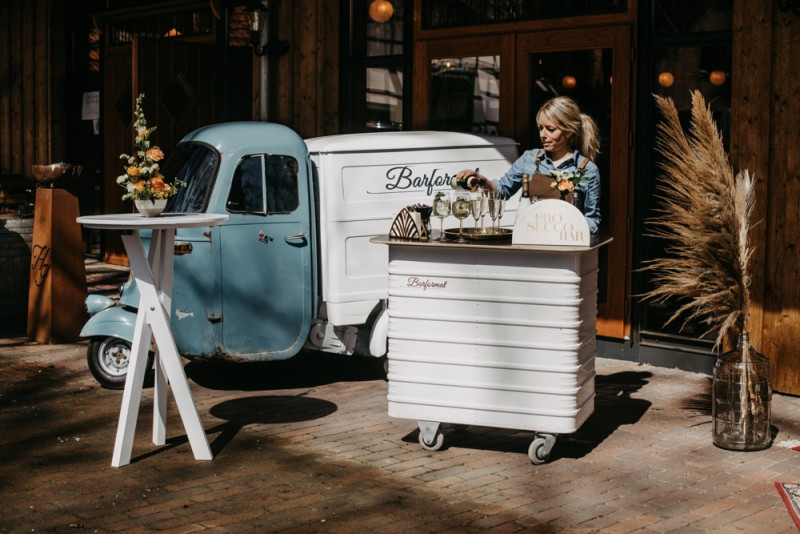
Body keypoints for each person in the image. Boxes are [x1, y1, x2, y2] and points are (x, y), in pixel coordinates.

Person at [456, 96, 601, 234]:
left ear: (569, 132)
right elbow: (502, 191)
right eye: (540, 128)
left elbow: (592, 221)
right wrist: (481, 180)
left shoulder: (587, 171)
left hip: (565, 247)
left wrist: (562, 227)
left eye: (550, 129)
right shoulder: (530, 159)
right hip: (528, 239)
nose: (543, 135)